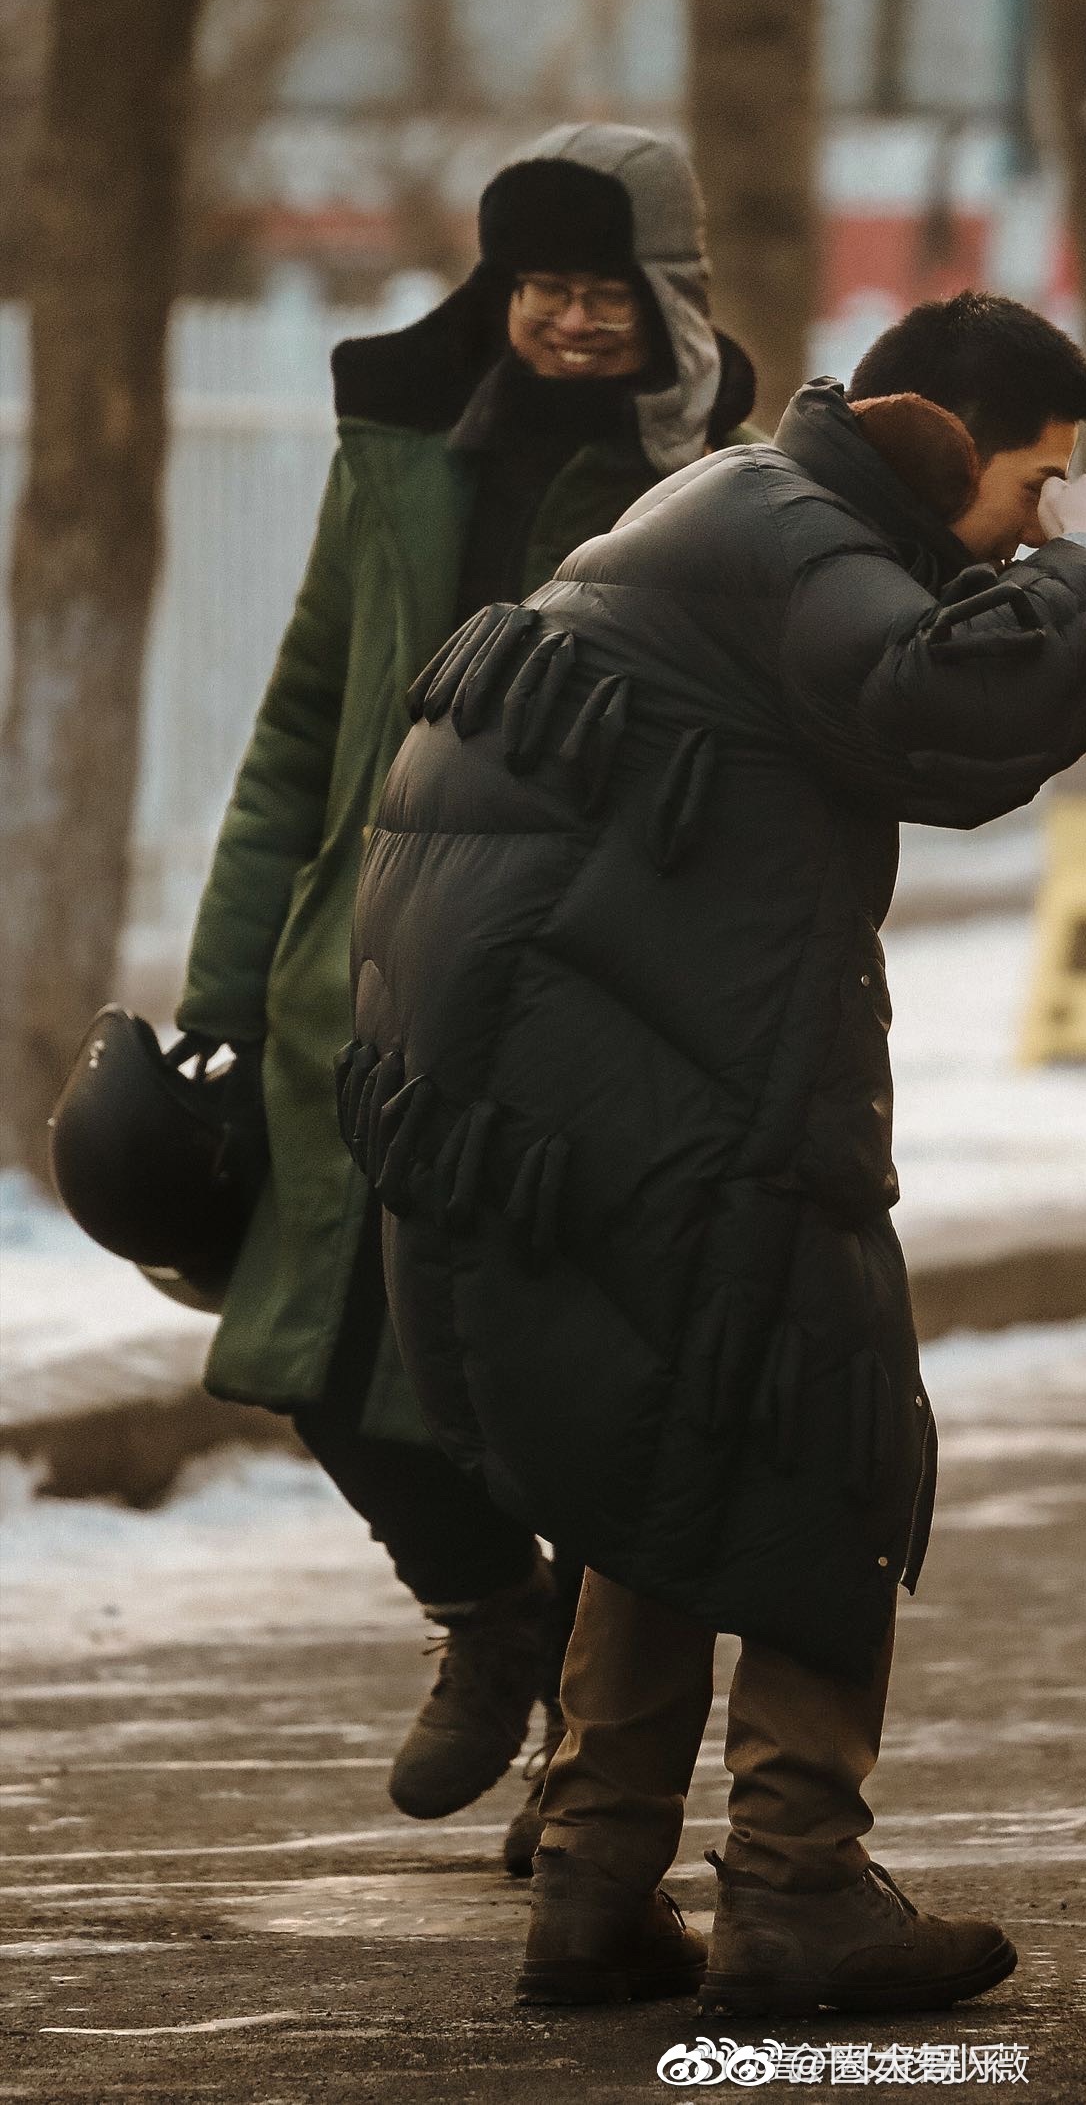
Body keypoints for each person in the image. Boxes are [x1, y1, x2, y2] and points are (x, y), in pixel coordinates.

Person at [342, 288, 1086, 2012]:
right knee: (825, 1429)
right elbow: (952, 720)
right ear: (935, 444)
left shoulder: (722, 513)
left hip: (569, 1080)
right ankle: (796, 1885)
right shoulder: (785, 532)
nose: (1033, 519)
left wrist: (1034, 548)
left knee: (692, 1419)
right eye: (1033, 485)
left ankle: (593, 1874)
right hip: (654, 1080)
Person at [173, 124, 758, 1872]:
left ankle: (592, 1749)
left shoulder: (721, 487)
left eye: (603, 290)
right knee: (318, 1352)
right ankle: (487, 1618)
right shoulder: (403, 450)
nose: (568, 323)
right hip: (349, 975)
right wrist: (222, 987)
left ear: (667, 296)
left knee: (550, 1373)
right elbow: (299, 726)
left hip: (576, 994)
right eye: (540, 288)